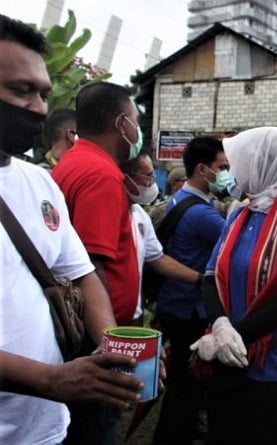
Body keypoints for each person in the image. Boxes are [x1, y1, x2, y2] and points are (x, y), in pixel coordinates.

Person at [0, 14, 145, 445]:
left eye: (44, 94)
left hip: (45, 428)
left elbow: (82, 272)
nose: (40, 108)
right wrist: (48, 379)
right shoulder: (99, 174)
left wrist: (111, 348)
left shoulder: (40, 182)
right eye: (21, 90)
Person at [190, 127, 277, 444]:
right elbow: (210, 277)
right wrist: (220, 326)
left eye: (236, 164)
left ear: (259, 165)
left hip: (273, 363)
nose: (232, 173)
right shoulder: (241, 215)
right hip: (229, 356)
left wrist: (232, 336)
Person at [51, 80, 147, 444]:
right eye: (136, 120)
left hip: (75, 328)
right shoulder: (101, 174)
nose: (138, 129)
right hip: (95, 337)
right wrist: (112, 343)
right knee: (94, 428)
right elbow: (90, 266)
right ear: (122, 123)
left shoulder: (74, 162)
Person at [151, 136, 229, 444]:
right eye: (222, 167)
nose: (227, 174)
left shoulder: (181, 199)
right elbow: (238, 243)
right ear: (202, 169)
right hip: (189, 309)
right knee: (186, 390)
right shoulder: (202, 214)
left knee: (181, 387)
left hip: (173, 303)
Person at [120, 153, 202, 323]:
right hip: (110, 316)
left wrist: (200, 278)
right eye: (148, 176)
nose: (152, 182)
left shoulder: (140, 215)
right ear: (127, 178)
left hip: (134, 314)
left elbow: (158, 258)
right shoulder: (110, 214)